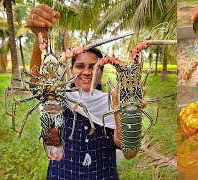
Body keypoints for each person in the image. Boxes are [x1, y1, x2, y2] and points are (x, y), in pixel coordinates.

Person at [27, 4, 140, 179]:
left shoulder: (113, 103)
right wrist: (39, 37)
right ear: (71, 71)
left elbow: (129, 154)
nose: (87, 72)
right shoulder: (59, 96)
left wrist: (122, 126)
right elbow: (36, 83)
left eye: (94, 67)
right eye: (80, 66)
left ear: (101, 73)